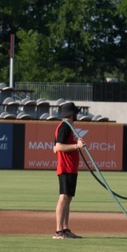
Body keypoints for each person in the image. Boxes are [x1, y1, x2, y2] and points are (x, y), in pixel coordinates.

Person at [53, 102, 86, 240]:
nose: (77, 115)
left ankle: (65, 229)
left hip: (71, 167)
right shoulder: (64, 126)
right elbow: (58, 147)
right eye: (75, 113)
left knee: (68, 198)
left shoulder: (68, 127)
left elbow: (55, 147)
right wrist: (76, 146)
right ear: (71, 114)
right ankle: (59, 231)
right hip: (66, 167)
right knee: (63, 197)